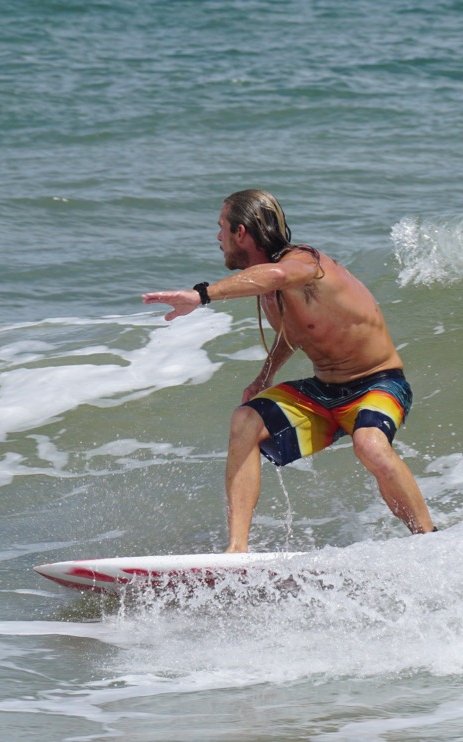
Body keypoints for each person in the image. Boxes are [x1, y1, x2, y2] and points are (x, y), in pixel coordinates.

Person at [143, 189, 435, 552]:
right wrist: (264, 376)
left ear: (242, 232)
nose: (217, 238)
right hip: (325, 392)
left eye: (221, 228)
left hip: (378, 383)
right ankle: (237, 550)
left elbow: (279, 274)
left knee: (371, 445)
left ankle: (429, 541)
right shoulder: (268, 289)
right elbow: (293, 334)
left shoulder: (306, 264)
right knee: (245, 420)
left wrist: (201, 295)